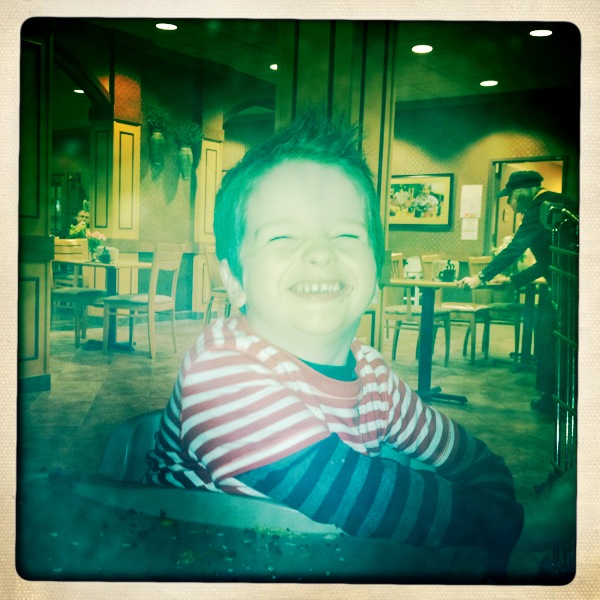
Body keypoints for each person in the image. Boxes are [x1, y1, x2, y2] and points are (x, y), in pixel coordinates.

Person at [145, 117, 575, 581]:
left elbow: (469, 457)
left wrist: (493, 504)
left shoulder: (374, 374)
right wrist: (523, 526)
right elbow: (356, 494)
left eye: (346, 235)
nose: (320, 253)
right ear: (234, 279)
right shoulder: (220, 371)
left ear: (377, 271)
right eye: (282, 236)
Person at [457, 170, 576, 414]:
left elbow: (515, 248)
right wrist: (513, 281)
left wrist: (481, 277)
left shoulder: (539, 207)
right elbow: (548, 260)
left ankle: (552, 400)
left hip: (569, 287)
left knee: (549, 336)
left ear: (520, 193)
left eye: (509, 198)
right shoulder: (558, 202)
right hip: (572, 283)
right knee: (560, 338)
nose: (510, 205)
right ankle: (559, 397)